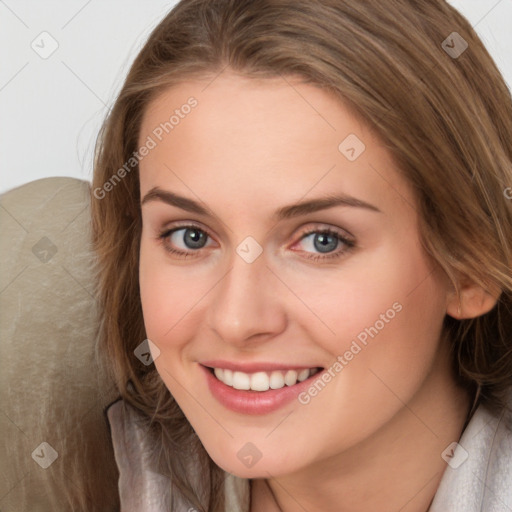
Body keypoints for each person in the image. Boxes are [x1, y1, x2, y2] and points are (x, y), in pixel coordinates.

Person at [91, 0, 512, 510]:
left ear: (471, 264)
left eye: (322, 241)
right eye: (190, 236)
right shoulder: (62, 468)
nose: (236, 320)